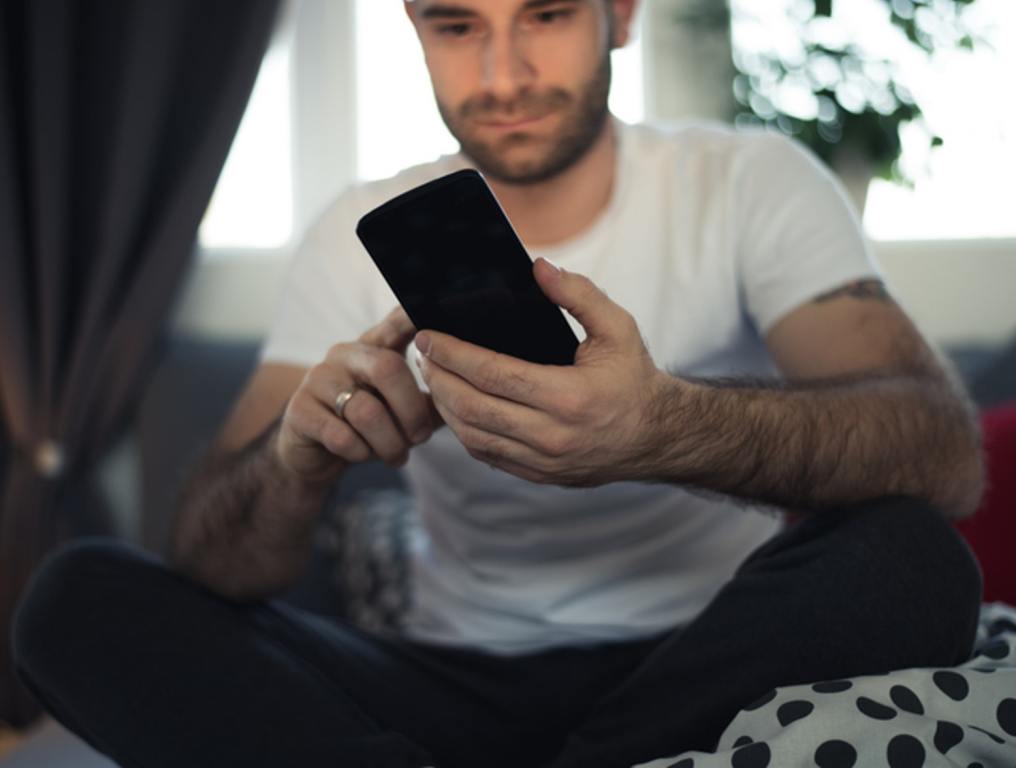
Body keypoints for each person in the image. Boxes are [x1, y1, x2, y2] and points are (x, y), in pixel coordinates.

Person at [13, 1, 985, 766]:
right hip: (447, 681)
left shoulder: (746, 183)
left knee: (912, 556)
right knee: (73, 598)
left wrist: (663, 427)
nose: (502, 74)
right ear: (413, 26)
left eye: (547, 15)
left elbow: (938, 448)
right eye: (457, 24)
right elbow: (216, 566)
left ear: (622, 13)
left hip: (710, 656)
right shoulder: (356, 230)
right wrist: (294, 462)